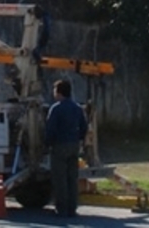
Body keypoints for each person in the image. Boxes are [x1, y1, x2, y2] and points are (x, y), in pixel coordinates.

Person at [45, 79, 87, 218]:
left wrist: (47, 144)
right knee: (72, 178)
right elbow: (84, 127)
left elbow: (50, 129)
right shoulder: (78, 108)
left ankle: (61, 208)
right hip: (74, 145)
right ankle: (72, 207)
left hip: (59, 145)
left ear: (59, 92)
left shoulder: (56, 108)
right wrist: (79, 139)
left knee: (60, 178)